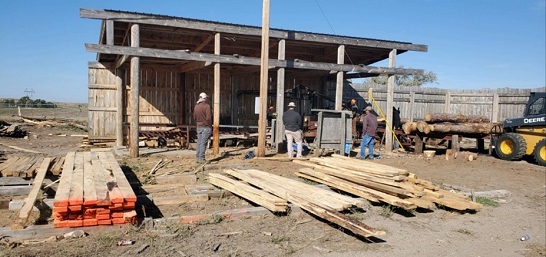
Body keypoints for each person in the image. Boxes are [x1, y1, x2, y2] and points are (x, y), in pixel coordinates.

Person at [193, 92, 212, 164]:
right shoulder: (207, 106)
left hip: (199, 126)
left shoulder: (196, 106)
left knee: (199, 142)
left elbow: (194, 117)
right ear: (205, 98)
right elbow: (209, 118)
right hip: (206, 127)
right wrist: (209, 126)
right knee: (203, 143)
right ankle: (202, 158)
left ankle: (198, 157)